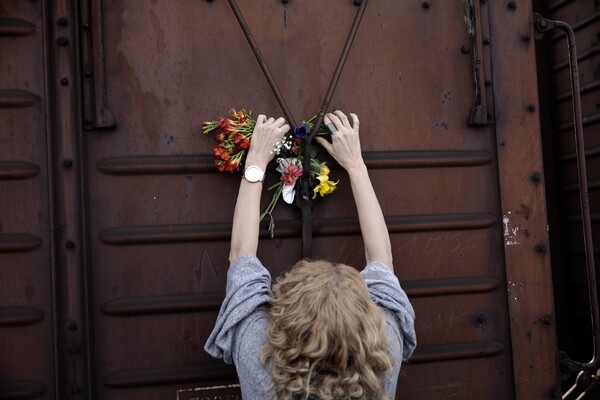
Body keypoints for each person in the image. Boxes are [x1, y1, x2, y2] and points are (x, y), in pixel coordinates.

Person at [204, 111, 416, 399]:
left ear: (286, 310)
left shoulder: (260, 357)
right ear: (366, 318)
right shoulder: (383, 356)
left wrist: (255, 162)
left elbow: (240, 255)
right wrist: (355, 165)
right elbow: (383, 260)